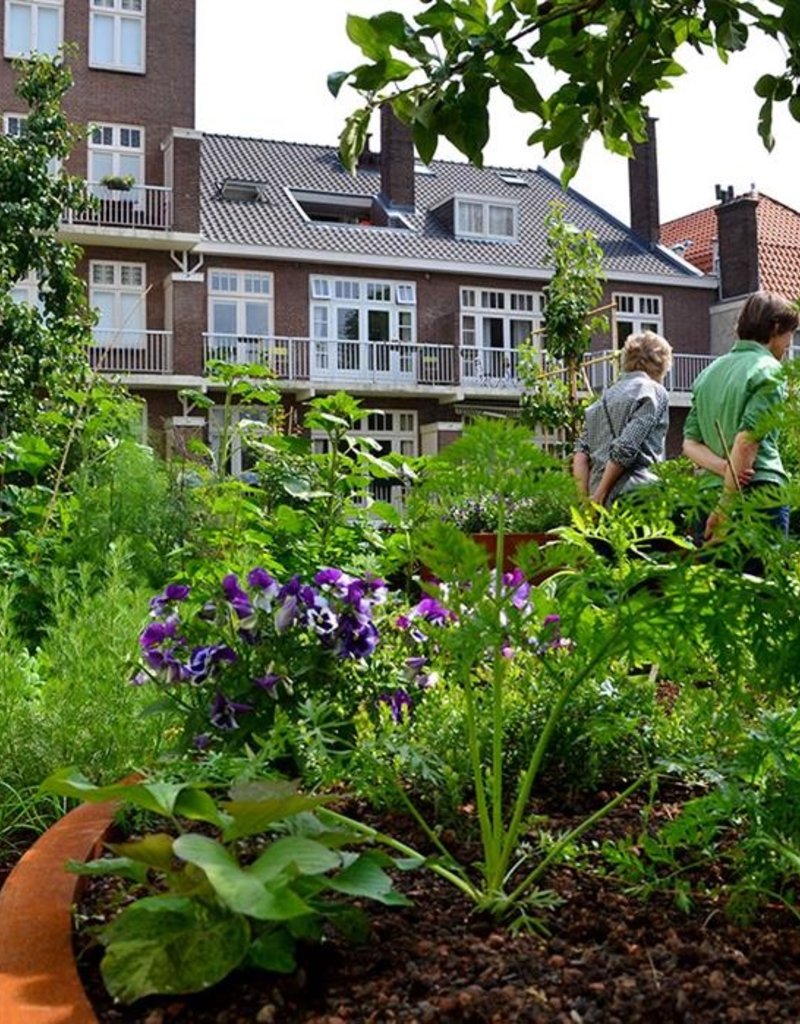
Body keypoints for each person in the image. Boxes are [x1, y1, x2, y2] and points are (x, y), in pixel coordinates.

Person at [682, 290, 798, 544]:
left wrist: (725, 469)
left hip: (706, 495)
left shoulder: (708, 373)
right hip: (757, 495)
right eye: (791, 332)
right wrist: (726, 505)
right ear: (776, 327)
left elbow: (690, 443)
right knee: (762, 582)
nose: (790, 342)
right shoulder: (769, 371)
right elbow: (747, 440)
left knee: (716, 582)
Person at [573, 330, 673, 507]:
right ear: (662, 363)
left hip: (600, 500)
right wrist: (599, 495)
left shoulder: (601, 401)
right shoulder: (653, 392)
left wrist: (585, 501)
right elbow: (625, 448)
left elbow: (580, 455)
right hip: (637, 496)